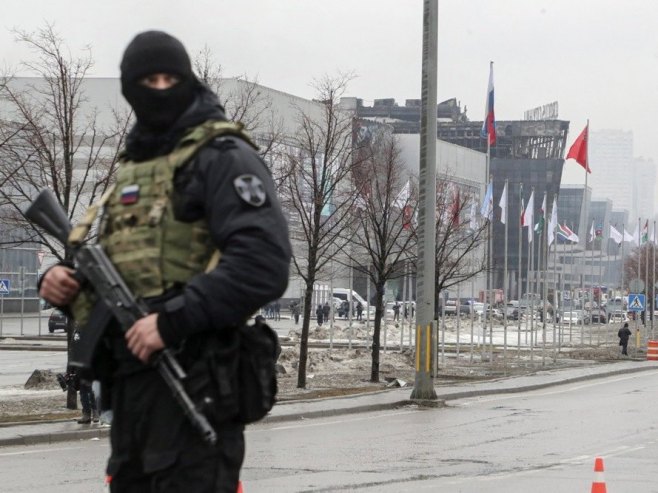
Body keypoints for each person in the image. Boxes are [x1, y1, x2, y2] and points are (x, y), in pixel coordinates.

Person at [38, 30, 291, 493]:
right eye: (146, 80)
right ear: (129, 89)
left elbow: (264, 263)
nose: (158, 89)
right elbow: (128, 277)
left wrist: (171, 321)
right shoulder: (132, 169)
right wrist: (66, 285)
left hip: (196, 382)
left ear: (188, 80)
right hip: (132, 396)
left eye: (168, 78)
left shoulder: (223, 157)